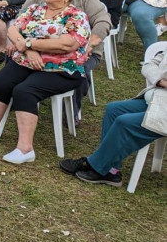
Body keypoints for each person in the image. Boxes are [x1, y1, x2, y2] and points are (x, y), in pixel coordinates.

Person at [0, 0, 90, 164]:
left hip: (61, 69)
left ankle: (25, 149)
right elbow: (13, 30)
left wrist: (28, 44)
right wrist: (29, 49)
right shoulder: (35, 9)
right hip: (27, 61)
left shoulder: (76, 16)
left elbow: (68, 45)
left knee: (24, 91)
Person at [59, 47, 167, 186]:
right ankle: (110, 170)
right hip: (157, 100)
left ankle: (95, 164)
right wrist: (161, 81)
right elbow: (148, 65)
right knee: (114, 109)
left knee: (124, 122)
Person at [21, 0, 112, 125]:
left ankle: (71, 111)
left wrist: (92, 42)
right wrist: (29, 48)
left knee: (79, 68)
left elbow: (102, 19)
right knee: (14, 59)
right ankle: (18, 100)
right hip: (39, 47)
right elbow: (22, 17)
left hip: (79, 49)